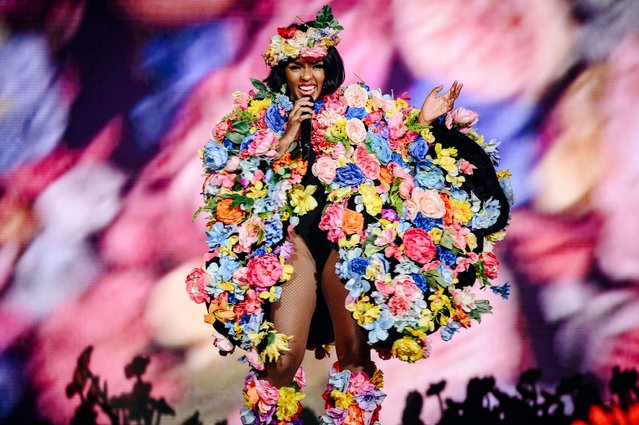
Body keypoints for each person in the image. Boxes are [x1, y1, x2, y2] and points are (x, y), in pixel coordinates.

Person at [186, 6, 512, 425]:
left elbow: (395, 151)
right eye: (297, 67)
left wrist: (425, 122)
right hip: (292, 244)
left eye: (316, 66)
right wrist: (283, 140)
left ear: (329, 68)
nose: (307, 77)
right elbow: (229, 183)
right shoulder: (256, 118)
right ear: (282, 70)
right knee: (280, 361)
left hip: (349, 246)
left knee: (355, 356)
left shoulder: (358, 105)